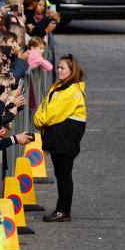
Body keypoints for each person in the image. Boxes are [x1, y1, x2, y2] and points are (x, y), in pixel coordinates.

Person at [33, 54, 87, 222]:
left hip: (65, 139)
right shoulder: (61, 85)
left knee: (64, 175)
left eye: (63, 68)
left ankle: (63, 211)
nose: (58, 70)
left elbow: (50, 114)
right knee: (61, 174)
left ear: (72, 70)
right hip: (59, 137)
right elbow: (45, 105)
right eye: (58, 67)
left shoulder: (70, 91)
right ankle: (62, 209)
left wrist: (37, 120)